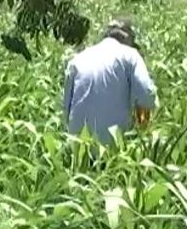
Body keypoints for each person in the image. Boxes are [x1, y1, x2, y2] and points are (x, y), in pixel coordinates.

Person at [63, 17, 157, 145]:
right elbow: (147, 93)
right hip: (111, 146)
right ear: (127, 39)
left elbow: (66, 109)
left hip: (77, 147)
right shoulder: (130, 55)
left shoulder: (78, 59)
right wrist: (142, 125)